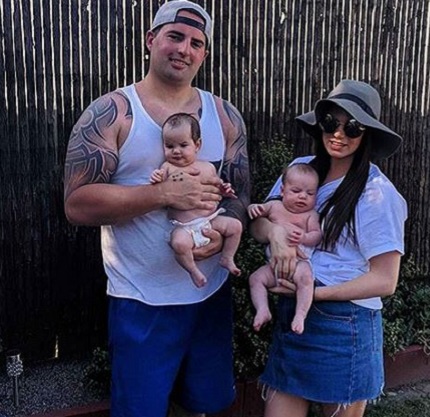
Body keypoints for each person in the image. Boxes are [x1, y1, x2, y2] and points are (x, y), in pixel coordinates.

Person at [62, 1, 250, 416]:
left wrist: (225, 227)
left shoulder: (225, 116)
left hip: (209, 293)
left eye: (196, 43)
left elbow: (240, 194)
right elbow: (76, 204)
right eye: (175, 36)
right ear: (151, 40)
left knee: (204, 403)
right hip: (141, 299)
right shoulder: (113, 113)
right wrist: (163, 195)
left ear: (204, 54)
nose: (184, 49)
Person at [250, 79, 407, 417]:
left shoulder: (377, 194)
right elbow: (258, 224)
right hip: (294, 315)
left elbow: (385, 280)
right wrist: (275, 233)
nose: (338, 133)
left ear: (367, 133)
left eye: (352, 127)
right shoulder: (301, 171)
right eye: (330, 122)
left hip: (344, 323)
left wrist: (312, 294)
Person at [151, 112, 243, 286]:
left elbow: (217, 187)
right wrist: (157, 178)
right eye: (169, 146)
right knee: (178, 243)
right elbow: (159, 188)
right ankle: (193, 270)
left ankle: (227, 257)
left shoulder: (207, 167)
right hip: (184, 227)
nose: (176, 151)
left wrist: (225, 189)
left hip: (210, 220)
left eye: (183, 145)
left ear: (197, 145)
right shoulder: (167, 167)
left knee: (235, 226)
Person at [247, 163, 322, 334]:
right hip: (273, 265)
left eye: (310, 193)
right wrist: (253, 208)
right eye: (296, 191)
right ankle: (262, 309)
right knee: (256, 279)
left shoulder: (310, 215)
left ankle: (300, 314)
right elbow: (257, 215)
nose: (302, 196)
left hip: (299, 263)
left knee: (306, 280)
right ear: (282, 191)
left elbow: (317, 235)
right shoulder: (275, 206)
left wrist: (304, 237)